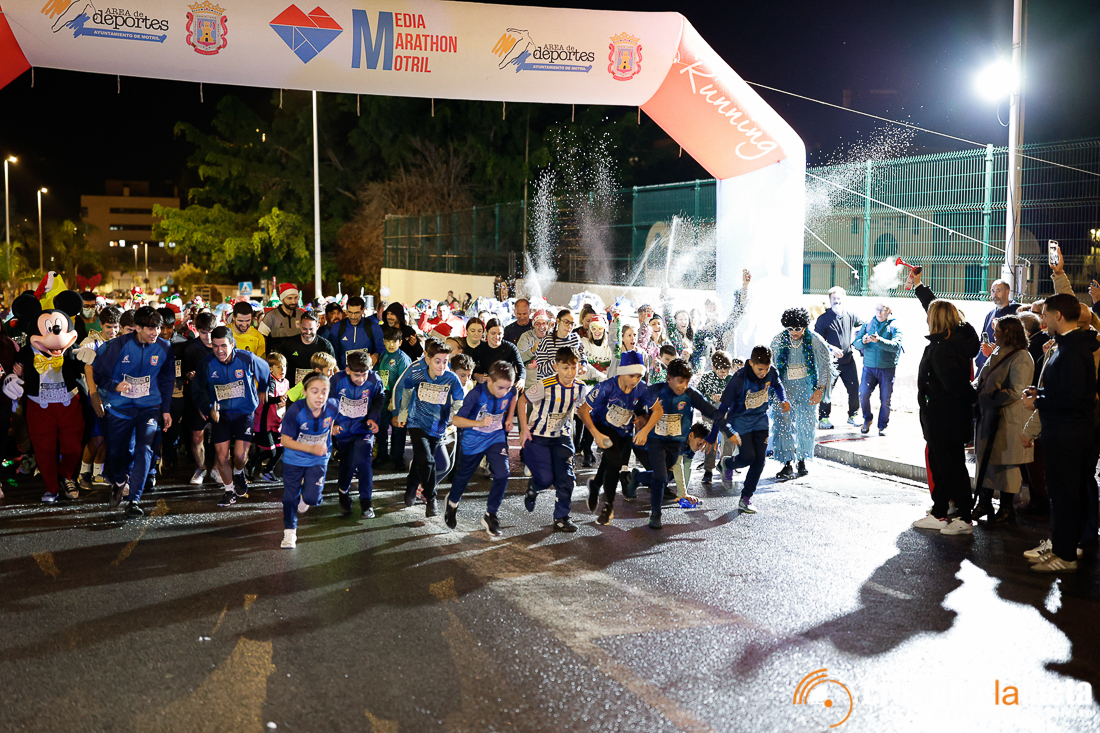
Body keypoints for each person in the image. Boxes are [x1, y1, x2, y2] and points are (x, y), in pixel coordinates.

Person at [1020, 294, 1097, 573]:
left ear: (1059, 316)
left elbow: (1072, 397)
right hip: (1064, 431)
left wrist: (1038, 402)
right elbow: (1063, 388)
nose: (1043, 319)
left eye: (1046, 314)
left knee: (1065, 494)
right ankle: (1062, 547)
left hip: (1067, 434)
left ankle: (1065, 554)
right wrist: (1039, 392)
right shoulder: (1068, 345)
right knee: (1063, 493)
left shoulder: (1073, 349)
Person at [92, 305, 175, 516]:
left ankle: (134, 500)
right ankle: (119, 481)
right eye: (151, 329)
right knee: (116, 452)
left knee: (144, 448)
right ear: (137, 327)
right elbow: (98, 374)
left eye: (158, 328)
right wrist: (115, 386)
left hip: (149, 407)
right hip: (120, 409)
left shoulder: (164, 347)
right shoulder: (118, 346)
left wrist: (166, 409)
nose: (156, 333)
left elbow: (167, 380)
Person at [911, 300, 981, 535]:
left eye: (930, 314)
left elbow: (955, 383)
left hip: (944, 417)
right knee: (943, 466)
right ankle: (940, 512)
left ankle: (963, 517)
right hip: (946, 416)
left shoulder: (943, 348)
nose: (926, 318)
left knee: (951, 468)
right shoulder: (952, 344)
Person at [633, 358, 720, 528]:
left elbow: (713, 412)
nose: (683, 386)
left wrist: (715, 433)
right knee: (661, 476)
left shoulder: (691, 395)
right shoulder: (655, 391)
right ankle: (656, 514)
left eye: (687, 382)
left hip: (672, 443)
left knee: (664, 475)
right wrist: (642, 417)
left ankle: (635, 477)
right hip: (651, 443)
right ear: (668, 378)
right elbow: (638, 403)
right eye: (680, 381)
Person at [191, 326, 272, 507]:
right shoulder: (207, 363)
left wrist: (263, 388)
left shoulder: (247, 358)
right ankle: (229, 491)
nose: (219, 350)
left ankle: (238, 473)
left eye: (224, 346)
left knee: (240, 457)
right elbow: (197, 391)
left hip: (244, 413)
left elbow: (265, 368)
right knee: (221, 457)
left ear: (233, 344)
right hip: (221, 415)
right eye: (215, 346)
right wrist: (209, 407)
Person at [707, 346, 790, 514]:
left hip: (760, 419)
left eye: (766, 369)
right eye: (760, 369)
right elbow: (722, 409)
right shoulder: (738, 379)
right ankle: (726, 463)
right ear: (751, 363)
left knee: (760, 460)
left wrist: (784, 399)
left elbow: (778, 385)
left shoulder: (771, 372)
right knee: (748, 457)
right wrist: (713, 435)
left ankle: (746, 498)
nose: (763, 373)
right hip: (739, 420)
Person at [971, 315, 1034, 524]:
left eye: (997, 331)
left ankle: (1007, 509)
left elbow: (1017, 390)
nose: (994, 334)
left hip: (1007, 419)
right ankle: (984, 503)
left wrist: (988, 398)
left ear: (1008, 332)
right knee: (987, 462)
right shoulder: (998, 351)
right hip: (991, 416)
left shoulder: (1022, 357)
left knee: (1007, 466)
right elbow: (984, 378)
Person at [393, 336, 465, 516]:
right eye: (437, 361)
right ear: (428, 359)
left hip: (438, 426)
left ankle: (411, 486)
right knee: (427, 459)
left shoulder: (451, 378)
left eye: (445, 362)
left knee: (422, 461)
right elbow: (406, 390)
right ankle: (431, 498)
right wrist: (402, 413)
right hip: (417, 422)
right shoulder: (416, 373)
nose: (442, 366)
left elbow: (459, 399)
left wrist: (458, 414)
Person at [444, 361, 518, 537]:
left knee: (502, 473)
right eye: (500, 388)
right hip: (473, 439)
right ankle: (452, 503)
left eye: (507, 387)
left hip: (495, 437)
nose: (505, 392)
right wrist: (479, 423)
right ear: (489, 381)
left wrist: (509, 417)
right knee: (464, 475)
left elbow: (514, 395)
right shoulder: (476, 394)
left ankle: (491, 514)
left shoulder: (510, 390)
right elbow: (456, 420)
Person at [519, 347, 587, 532]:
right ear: (556, 367)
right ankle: (534, 487)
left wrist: (579, 433)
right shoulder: (545, 385)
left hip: (562, 437)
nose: (570, 372)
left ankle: (561, 517)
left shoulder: (580, 387)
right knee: (545, 478)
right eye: (565, 368)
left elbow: (578, 409)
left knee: (567, 478)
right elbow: (522, 401)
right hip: (539, 436)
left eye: (573, 367)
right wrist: (524, 428)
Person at [578, 351, 648, 524]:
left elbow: (643, 411)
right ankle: (608, 507)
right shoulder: (606, 387)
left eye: (639, 376)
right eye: (631, 375)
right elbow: (583, 410)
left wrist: (642, 419)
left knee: (609, 462)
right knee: (616, 463)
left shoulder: (641, 388)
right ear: (622, 372)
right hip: (603, 427)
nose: (635, 380)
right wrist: (596, 434)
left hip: (624, 431)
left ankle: (595, 485)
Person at [278, 373, 342, 549]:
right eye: (315, 391)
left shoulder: (333, 405)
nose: (320, 396)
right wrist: (311, 448)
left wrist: (335, 427)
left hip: (318, 458)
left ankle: (305, 500)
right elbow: (285, 441)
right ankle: (290, 532)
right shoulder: (296, 411)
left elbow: (334, 418)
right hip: (294, 459)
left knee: (312, 498)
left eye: (324, 391)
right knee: (290, 496)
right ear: (305, 391)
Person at [769, 308, 830, 480]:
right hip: (784, 390)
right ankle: (786, 463)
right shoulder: (778, 340)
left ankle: (802, 459)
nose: (794, 333)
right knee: (782, 424)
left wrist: (820, 389)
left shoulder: (815, 340)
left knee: (806, 425)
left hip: (807, 389)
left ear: (804, 327)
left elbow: (824, 365)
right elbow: (771, 367)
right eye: (790, 329)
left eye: (797, 329)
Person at [331, 350, 385, 518]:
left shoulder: (374, 380)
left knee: (363, 461)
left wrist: (373, 418)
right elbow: (329, 402)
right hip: (343, 430)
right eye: (357, 375)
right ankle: (343, 491)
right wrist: (334, 423)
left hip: (363, 429)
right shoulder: (337, 380)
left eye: (364, 374)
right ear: (347, 370)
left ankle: (366, 502)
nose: (361, 379)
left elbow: (379, 399)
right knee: (347, 463)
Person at [75, 305, 121, 490]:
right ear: (101, 324)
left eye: (116, 327)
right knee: (96, 437)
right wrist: (94, 396)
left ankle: (97, 473)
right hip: (94, 395)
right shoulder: (91, 341)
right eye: (109, 327)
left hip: (113, 396)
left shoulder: (120, 341)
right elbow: (84, 361)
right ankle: (83, 473)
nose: (113, 331)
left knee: (107, 437)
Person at [814, 286, 863, 429]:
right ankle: (823, 418)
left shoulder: (850, 315)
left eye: (839, 298)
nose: (837, 301)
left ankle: (853, 416)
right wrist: (831, 348)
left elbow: (865, 325)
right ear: (830, 300)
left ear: (844, 299)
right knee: (827, 390)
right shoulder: (823, 319)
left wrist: (860, 333)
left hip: (848, 360)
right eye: (834, 298)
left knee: (854, 388)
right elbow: (816, 340)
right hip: (830, 363)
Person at [853, 302, 903, 436]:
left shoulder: (894, 326)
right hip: (869, 367)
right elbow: (856, 343)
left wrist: (879, 341)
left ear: (889, 311)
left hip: (887, 368)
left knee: (885, 399)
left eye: (883, 310)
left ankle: (882, 425)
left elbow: (896, 345)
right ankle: (867, 419)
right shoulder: (867, 324)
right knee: (863, 394)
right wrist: (863, 341)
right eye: (877, 309)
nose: (879, 313)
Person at [183, 311, 218, 485]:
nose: (208, 337)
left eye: (211, 332)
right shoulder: (191, 349)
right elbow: (186, 375)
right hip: (198, 398)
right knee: (197, 436)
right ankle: (200, 468)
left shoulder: (223, 345)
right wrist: (191, 376)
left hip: (220, 398)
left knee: (222, 436)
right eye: (203, 332)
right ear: (196, 330)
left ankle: (218, 468)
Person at [372, 326, 413, 471]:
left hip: (399, 398)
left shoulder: (403, 358)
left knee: (399, 429)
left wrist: (395, 400)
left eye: (394, 341)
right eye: (388, 341)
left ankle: (398, 458)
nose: (391, 344)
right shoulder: (383, 355)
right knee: (382, 428)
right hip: (384, 396)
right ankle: (382, 455)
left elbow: (405, 383)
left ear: (400, 343)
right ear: (383, 341)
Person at [248, 352, 289, 483]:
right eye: (278, 367)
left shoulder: (286, 382)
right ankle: (250, 465)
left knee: (280, 448)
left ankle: (268, 471)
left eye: (284, 366)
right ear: (270, 369)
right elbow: (268, 398)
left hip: (278, 422)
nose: (282, 370)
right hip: (264, 422)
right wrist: (279, 399)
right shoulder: (269, 381)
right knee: (270, 451)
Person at [695, 350, 735, 485]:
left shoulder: (732, 379)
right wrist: (710, 397)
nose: (725, 374)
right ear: (713, 367)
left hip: (727, 415)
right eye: (721, 371)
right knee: (710, 442)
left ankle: (725, 464)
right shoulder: (707, 378)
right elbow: (698, 395)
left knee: (729, 440)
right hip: (710, 414)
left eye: (727, 371)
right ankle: (708, 470)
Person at [278, 311, 335, 387]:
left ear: (317, 326)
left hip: (317, 388)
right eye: (304, 329)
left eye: (311, 329)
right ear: (299, 325)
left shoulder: (325, 346)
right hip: (293, 388)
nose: (308, 332)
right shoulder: (288, 344)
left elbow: (332, 369)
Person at [975, 279, 1021, 371]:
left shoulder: (1015, 312)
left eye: (998, 291)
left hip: (1002, 364)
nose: (994, 294)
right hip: (985, 363)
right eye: (992, 291)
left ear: (1007, 292)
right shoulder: (990, 314)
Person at [471, 318, 525, 386]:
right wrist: (475, 376)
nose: (496, 337)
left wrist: (522, 380)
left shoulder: (510, 348)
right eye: (493, 333)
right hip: (486, 385)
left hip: (505, 385)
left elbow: (521, 367)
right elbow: (469, 368)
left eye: (499, 334)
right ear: (486, 332)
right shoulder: (479, 349)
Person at [535, 309, 588, 379]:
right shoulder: (547, 341)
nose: (569, 326)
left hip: (570, 379)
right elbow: (540, 368)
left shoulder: (575, 338)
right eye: (566, 322)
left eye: (572, 324)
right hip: (550, 381)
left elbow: (582, 354)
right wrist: (561, 362)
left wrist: (583, 365)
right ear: (558, 321)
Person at [331, 295, 377, 368]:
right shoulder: (337, 327)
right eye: (350, 312)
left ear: (363, 310)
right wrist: (338, 370)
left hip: (366, 371)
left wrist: (376, 355)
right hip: (344, 371)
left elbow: (382, 349)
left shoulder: (373, 327)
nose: (353, 317)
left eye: (356, 313)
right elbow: (333, 352)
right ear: (346, 311)